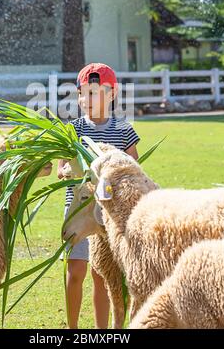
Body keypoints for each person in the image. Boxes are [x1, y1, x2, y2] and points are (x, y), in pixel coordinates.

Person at [57, 62, 140, 329]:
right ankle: (72, 329)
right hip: (79, 210)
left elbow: (133, 169)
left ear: (112, 94)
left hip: (106, 216)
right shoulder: (73, 131)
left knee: (100, 273)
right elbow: (61, 170)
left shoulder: (123, 130)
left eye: (94, 93)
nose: (86, 99)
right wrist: (70, 171)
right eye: (82, 93)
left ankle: (101, 331)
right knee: (76, 270)